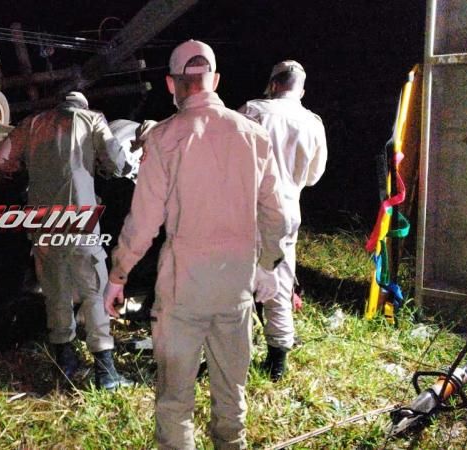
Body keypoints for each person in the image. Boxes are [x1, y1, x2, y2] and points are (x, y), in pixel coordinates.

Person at [103, 40, 288, 449]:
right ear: (216, 80)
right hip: (235, 290)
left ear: (172, 84)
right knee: (231, 395)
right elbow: (278, 214)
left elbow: (144, 221)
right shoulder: (253, 135)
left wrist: (118, 274)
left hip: (182, 293)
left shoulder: (164, 138)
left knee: (174, 401)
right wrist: (268, 266)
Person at [0, 91, 132, 390]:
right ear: (82, 105)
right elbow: (117, 163)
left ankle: (65, 361)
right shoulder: (92, 119)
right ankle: (106, 372)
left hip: (43, 225)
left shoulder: (33, 123)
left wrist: (25, 169)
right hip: (79, 221)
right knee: (94, 290)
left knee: (56, 291)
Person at [239, 60, 328, 381]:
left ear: (273, 84)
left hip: (249, 210)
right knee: (279, 281)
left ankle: (236, 353)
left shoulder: (253, 111)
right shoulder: (313, 123)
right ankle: (277, 361)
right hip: (288, 211)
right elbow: (315, 176)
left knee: (239, 284)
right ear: (300, 89)